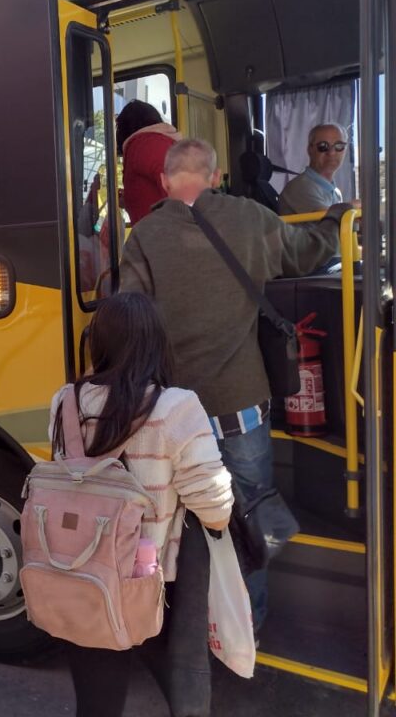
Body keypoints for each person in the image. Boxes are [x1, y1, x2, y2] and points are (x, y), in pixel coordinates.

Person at [119, 138, 353, 632]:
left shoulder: (143, 235)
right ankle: (247, 627)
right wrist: (336, 217)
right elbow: (308, 253)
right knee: (247, 522)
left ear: (163, 181)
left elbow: (130, 317)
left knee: (181, 525)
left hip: (172, 416)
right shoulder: (249, 217)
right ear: (215, 174)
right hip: (241, 408)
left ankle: (188, 631)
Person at [50, 292, 233, 717]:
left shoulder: (67, 401)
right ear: (157, 343)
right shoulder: (176, 406)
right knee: (178, 678)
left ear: (100, 342)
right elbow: (214, 504)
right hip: (148, 580)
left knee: (97, 700)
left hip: (80, 566)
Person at [115, 99, 181, 224]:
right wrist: (130, 198)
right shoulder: (159, 143)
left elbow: (177, 192)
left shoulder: (144, 145)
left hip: (161, 237)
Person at [278, 123, 348, 216]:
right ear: (310, 150)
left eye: (339, 146)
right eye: (323, 146)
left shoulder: (336, 192)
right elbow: (330, 221)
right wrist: (352, 207)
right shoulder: (300, 187)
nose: (331, 153)